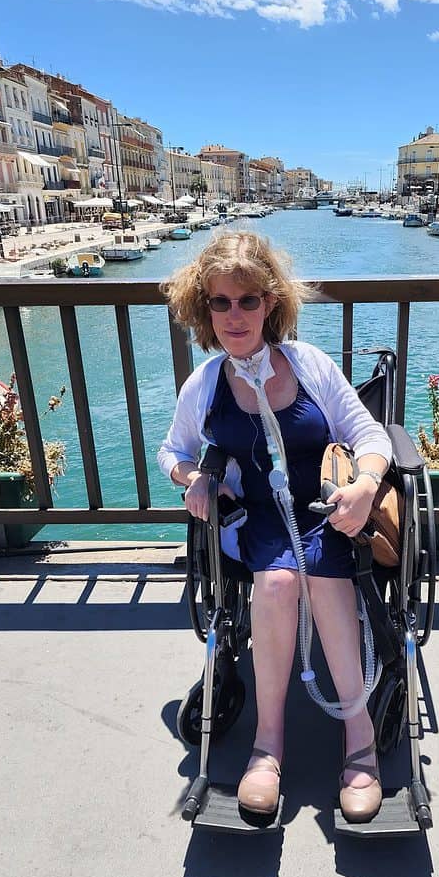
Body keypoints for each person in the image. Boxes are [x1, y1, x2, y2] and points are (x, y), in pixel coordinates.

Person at [158, 232, 392, 823]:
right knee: (279, 583)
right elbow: (172, 451)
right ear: (204, 309)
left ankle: (359, 741)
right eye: (220, 302)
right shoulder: (206, 383)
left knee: (323, 579)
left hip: (325, 509)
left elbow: (369, 433)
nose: (235, 314)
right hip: (258, 515)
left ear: (271, 303)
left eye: (248, 299)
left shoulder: (310, 365)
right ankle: (268, 745)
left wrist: (365, 486)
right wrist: (195, 480)